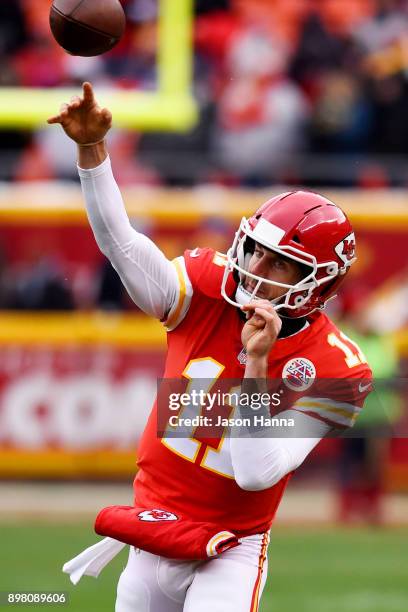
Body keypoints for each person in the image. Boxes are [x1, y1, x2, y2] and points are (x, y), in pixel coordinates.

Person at [48, 83, 372, 612]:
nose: (255, 271)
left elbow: (253, 473)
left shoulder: (339, 366)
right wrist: (92, 153)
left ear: (319, 285)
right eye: (255, 251)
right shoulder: (206, 284)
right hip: (154, 528)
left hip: (231, 547)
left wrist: (259, 363)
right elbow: (122, 245)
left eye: (280, 264)